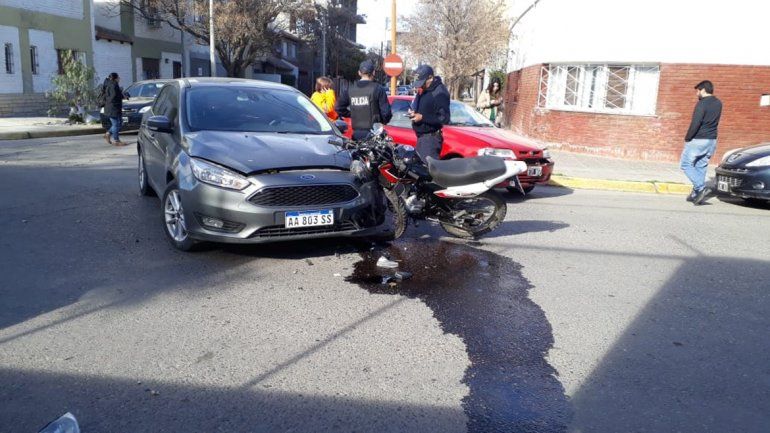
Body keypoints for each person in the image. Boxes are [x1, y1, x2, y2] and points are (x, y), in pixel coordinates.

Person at [681, 80, 722, 205]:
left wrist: (688, 137)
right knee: (700, 166)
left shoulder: (701, 104)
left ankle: (701, 188)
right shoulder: (718, 103)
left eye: (697, 91)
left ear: (703, 90)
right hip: (712, 140)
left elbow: (696, 123)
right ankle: (695, 193)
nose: (696, 94)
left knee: (686, 164)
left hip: (698, 140)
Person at [335, 60, 392, 140]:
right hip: (374, 133)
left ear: (359, 73)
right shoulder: (378, 89)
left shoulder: (350, 89)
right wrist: (381, 121)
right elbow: (386, 113)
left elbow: (338, 108)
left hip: (356, 134)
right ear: (374, 73)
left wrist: (353, 114)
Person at [408, 64, 451, 161]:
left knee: (426, 173)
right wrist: (414, 112)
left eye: (423, 82)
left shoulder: (440, 92)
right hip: (422, 138)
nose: (421, 85)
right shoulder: (426, 90)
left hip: (430, 140)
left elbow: (444, 118)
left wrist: (422, 117)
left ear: (431, 77)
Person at [104, 72, 127, 146]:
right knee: (116, 124)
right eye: (118, 77)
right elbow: (113, 97)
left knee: (119, 123)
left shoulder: (110, 84)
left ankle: (108, 134)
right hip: (113, 108)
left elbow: (115, 95)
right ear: (116, 78)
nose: (119, 78)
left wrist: (123, 96)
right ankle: (117, 141)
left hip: (113, 108)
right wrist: (121, 96)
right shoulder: (113, 85)